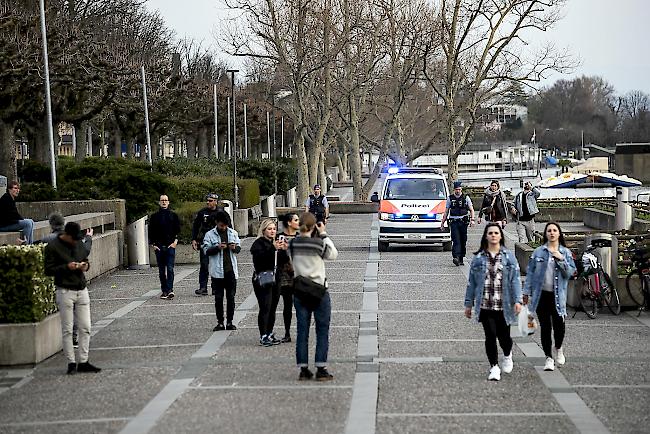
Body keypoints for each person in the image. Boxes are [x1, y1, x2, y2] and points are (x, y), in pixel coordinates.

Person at [464, 223, 522, 381]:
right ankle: (494, 367)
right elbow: (472, 283)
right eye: (490, 233)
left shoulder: (509, 257)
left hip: (504, 304)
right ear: (486, 236)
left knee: (504, 336)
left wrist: (518, 300)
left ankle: (507, 354)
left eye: (496, 233)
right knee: (490, 335)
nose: (494, 235)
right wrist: (468, 304)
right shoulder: (478, 258)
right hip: (485, 304)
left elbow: (515, 280)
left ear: (501, 236)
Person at [44, 222, 101, 375]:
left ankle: (83, 361)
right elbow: (48, 269)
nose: (76, 241)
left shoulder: (78, 243)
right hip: (65, 290)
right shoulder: (53, 246)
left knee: (86, 327)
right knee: (68, 329)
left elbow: (85, 258)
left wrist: (85, 266)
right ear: (66, 235)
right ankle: (71, 363)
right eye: (73, 239)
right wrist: (66, 267)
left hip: (81, 289)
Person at [289, 212, 338, 381]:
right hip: (319, 290)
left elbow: (290, 261)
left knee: (302, 330)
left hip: (300, 290)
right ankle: (321, 368)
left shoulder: (293, 244)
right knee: (322, 330)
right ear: (313, 226)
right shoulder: (318, 244)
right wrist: (323, 233)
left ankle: (303, 369)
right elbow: (332, 254)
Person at [523, 222, 576, 372]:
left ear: (559, 233)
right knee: (546, 327)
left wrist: (561, 259)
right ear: (546, 234)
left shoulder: (565, 252)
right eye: (549, 231)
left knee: (559, 325)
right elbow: (530, 273)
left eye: (554, 230)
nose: (552, 233)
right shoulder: (538, 252)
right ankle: (548, 358)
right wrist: (525, 292)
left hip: (558, 296)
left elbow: (571, 273)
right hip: (541, 296)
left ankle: (558, 347)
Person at [202, 211, 240, 331]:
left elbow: (238, 248)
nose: (223, 227)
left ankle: (230, 322)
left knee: (231, 297)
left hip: (231, 271)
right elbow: (206, 250)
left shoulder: (233, 233)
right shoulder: (209, 235)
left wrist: (234, 248)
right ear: (216, 223)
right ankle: (220, 322)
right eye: (221, 225)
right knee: (218, 298)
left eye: (225, 225)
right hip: (217, 272)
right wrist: (217, 248)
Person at [250, 218, 284, 346]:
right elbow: (259, 260)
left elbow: (282, 261)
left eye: (274, 229)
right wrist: (272, 249)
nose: (272, 231)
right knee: (265, 307)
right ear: (263, 230)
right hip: (263, 278)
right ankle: (263, 335)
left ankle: (269, 333)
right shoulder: (258, 244)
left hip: (275, 278)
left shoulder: (276, 242)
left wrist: (283, 250)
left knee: (273, 307)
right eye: (269, 229)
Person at [149, 194, 181, 300]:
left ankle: (170, 290)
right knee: (162, 271)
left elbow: (178, 231)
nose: (164, 202)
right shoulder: (154, 217)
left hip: (170, 246)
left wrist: (175, 243)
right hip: (159, 246)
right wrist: (153, 245)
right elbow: (151, 232)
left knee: (170, 269)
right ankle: (164, 290)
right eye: (162, 200)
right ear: (159, 202)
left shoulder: (173, 216)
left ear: (168, 202)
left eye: (166, 200)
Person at [192, 193, 224, 296]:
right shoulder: (203, 212)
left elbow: (228, 227)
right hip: (205, 242)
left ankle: (215, 288)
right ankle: (203, 287)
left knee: (216, 265)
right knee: (204, 265)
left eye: (210, 201)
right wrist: (194, 239)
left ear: (215, 201)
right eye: (207, 200)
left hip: (217, 242)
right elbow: (196, 226)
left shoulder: (221, 212)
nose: (208, 202)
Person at [277, 213, 300, 343]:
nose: (299, 222)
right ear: (289, 223)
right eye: (296, 220)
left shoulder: (300, 237)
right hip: (285, 276)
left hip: (299, 275)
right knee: (287, 305)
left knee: (301, 306)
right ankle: (287, 333)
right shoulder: (280, 237)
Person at [440, 180, 475, 266]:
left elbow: (471, 210)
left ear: (461, 189)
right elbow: (446, 211)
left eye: (459, 189)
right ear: (454, 190)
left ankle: (461, 258)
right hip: (454, 222)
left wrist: (472, 219)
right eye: (456, 189)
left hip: (463, 222)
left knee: (463, 240)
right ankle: (455, 257)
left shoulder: (466, 198)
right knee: (456, 240)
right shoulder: (450, 198)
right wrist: (442, 222)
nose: (457, 191)